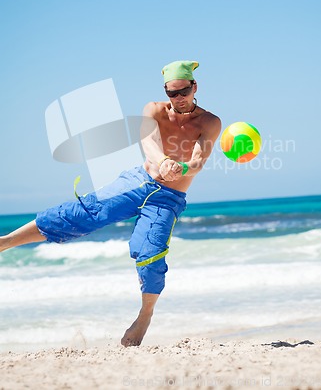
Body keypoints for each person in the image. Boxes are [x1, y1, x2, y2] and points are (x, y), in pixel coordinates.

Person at [0, 60, 221, 347]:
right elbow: (149, 143)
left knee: (151, 251)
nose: (178, 98)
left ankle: (145, 316)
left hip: (168, 197)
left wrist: (182, 169)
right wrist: (164, 161)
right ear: (165, 91)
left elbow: (198, 161)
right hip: (139, 181)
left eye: (183, 91)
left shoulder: (210, 122)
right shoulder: (153, 109)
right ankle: (4, 242)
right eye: (172, 92)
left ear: (195, 87)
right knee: (84, 213)